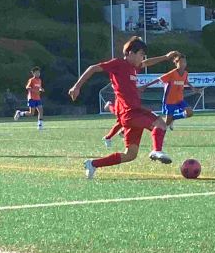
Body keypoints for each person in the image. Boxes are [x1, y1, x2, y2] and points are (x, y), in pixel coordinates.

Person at [68, 36, 180, 179]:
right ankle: (156, 151)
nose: (142, 58)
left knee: (130, 155)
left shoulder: (134, 67)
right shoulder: (118, 64)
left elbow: (146, 63)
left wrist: (165, 57)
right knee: (160, 123)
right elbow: (93, 68)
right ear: (130, 53)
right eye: (140, 54)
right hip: (130, 112)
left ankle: (93, 163)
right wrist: (76, 86)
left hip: (130, 114)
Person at [141, 53, 201, 131]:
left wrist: (193, 88)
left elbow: (186, 81)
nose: (183, 64)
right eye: (181, 62)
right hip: (169, 101)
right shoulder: (172, 73)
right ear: (176, 63)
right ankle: (155, 129)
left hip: (179, 100)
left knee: (190, 112)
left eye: (184, 62)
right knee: (165, 125)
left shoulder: (185, 73)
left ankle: (173, 117)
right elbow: (159, 79)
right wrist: (145, 86)